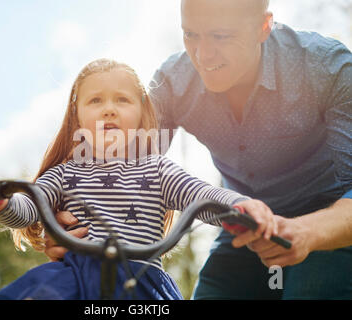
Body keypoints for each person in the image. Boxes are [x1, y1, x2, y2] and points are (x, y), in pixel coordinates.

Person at [47, 0, 352, 299]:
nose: (202, 55)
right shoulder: (174, 82)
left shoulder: (326, 67)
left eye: (221, 36)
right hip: (241, 225)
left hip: (326, 221)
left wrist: (306, 233)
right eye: (191, 34)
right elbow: (123, 169)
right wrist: (69, 225)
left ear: (263, 26)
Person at [0, 58, 279, 300]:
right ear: (78, 117)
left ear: (142, 113)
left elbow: (201, 195)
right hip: (73, 278)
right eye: (95, 101)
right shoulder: (66, 173)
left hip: (144, 281)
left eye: (122, 100)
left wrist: (241, 205)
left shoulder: (157, 169)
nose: (109, 110)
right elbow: (28, 207)